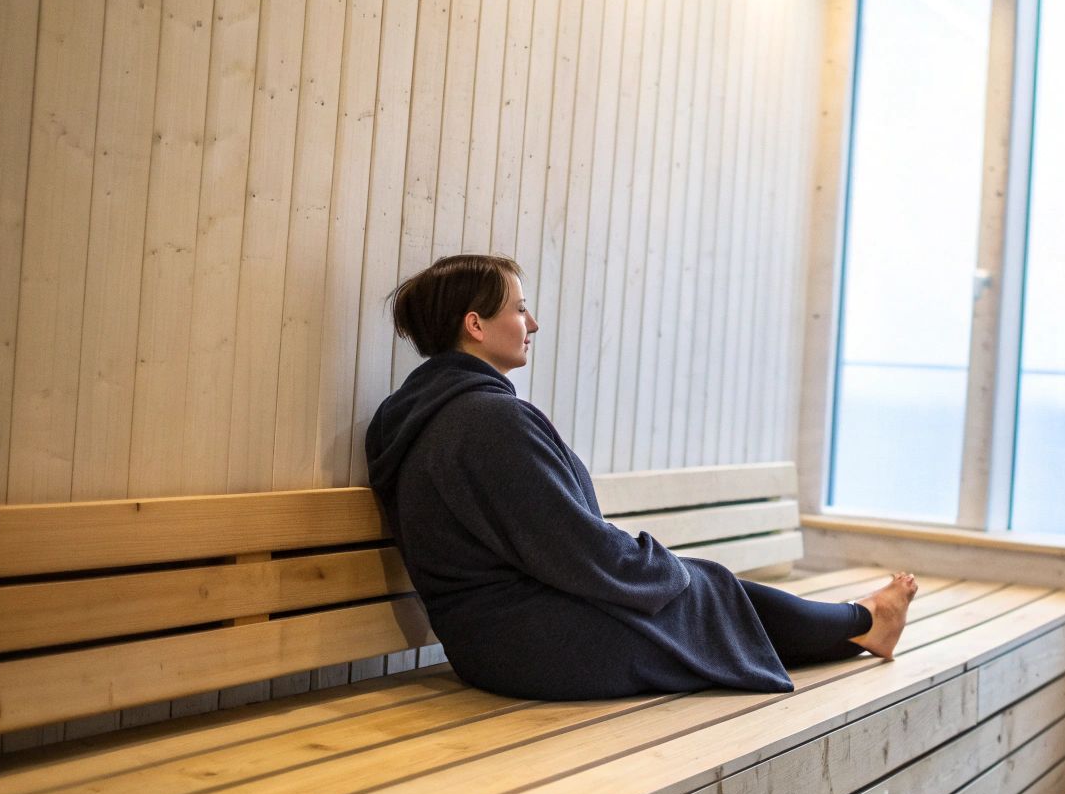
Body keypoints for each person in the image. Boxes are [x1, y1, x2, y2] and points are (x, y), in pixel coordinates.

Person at [364, 253, 916, 700]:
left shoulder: (409, 415)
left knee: (698, 594)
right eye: (520, 309)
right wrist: (662, 568)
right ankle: (864, 619)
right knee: (701, 588)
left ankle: (861, 621)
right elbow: (573, 547)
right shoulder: (489, 419)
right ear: (476, 324)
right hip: (538, 647)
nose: (531, 324)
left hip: (490, 644)